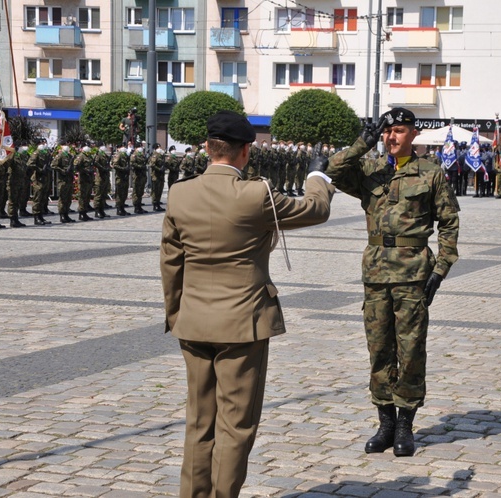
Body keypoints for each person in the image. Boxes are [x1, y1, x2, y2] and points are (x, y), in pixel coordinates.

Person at [160, 110, 334, 497]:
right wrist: (317, 177)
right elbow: (316, 210)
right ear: (245, 153)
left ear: (207, 148)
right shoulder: (256, 194)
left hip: (193, 322)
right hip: (242, 324)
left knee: (198, 423)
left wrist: (177, 314)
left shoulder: (179, 192)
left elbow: (171, 262)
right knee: (236, 427)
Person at [325, 107, 460, 458]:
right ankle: (385, 422)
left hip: (414, 275)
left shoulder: (431, 173)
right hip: (375, 274)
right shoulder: (370, 170)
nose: (391, 137)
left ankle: (405, 425)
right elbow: (333, 169)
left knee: (411, 350)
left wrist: (441, 269)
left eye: (399, 130)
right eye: (387, 131)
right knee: (379, 350)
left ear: (413, 135)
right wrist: (361, 143)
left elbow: (449, 223)